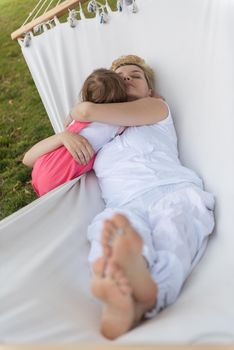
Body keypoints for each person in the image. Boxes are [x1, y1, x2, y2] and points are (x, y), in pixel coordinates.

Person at [67, 55, 215, 339]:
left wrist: (81, 115)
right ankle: (119, 281)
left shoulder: (155, 108)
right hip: (125, 204)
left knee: (174, 229)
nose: (127, 78)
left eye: (135, 75)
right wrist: (64, 138)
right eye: (120, 76)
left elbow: (84, 110)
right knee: (109, 227)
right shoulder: (98, 133)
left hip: (174, 190)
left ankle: (143, 296)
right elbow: (30, 159)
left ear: (150, 89)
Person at [22, 69, 128, 196]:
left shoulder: (77, 115)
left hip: (42, 168)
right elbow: (127, 121)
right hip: (61, 172)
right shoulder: (112, 123)